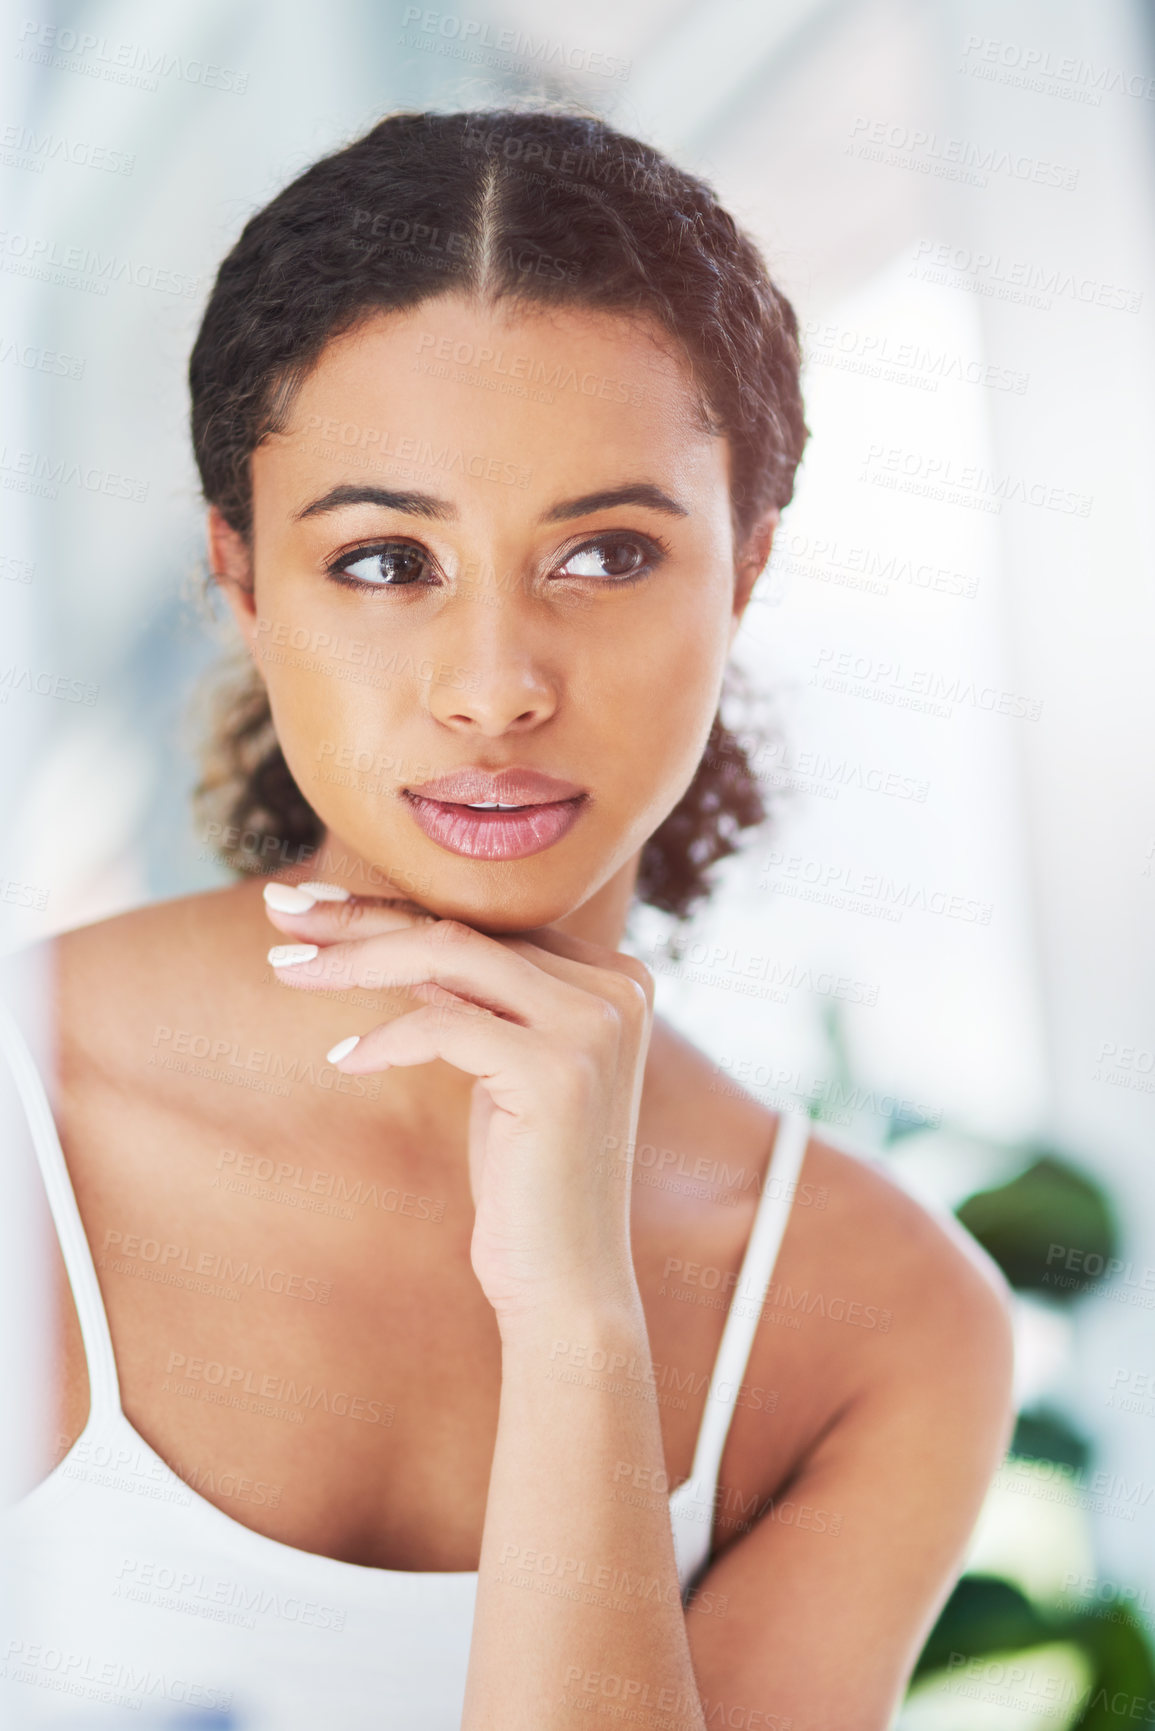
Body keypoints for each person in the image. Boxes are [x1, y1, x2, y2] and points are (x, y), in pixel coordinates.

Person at [1, 108, 1014, 1730]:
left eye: (608, 553)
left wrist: (575, 1325)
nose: (496, 688)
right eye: (388, 560)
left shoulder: (875, 1324)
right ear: (242, 578)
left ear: (746, 570)